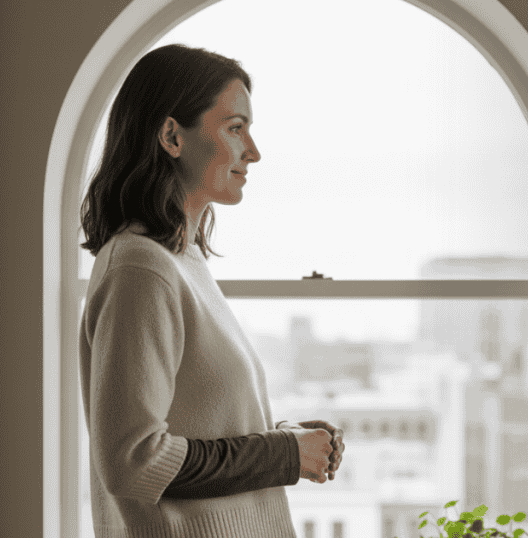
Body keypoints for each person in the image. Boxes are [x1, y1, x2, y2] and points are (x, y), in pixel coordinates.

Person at [79, 44, 346, 538]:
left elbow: (196, 424)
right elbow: (134, 461)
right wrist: (282, 454)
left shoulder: (182, 262)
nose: (253, 151)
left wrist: (284, 441)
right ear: (171, 136)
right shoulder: (141, 268)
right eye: (235, 128)